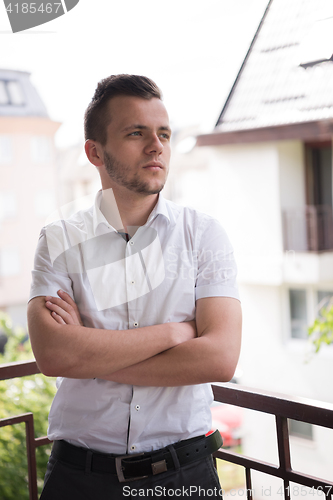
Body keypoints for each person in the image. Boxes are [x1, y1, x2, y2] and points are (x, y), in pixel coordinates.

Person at [27, 74, 242, 499]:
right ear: (95, 152)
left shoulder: (204, 235)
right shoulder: (58, 239)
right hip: (79, 478)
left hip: (185, 475)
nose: (156, 145)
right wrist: (174, 334)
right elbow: (53, 354)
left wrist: (87, 355)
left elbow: (219, 358)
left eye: (163, 133)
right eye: (135, 133)